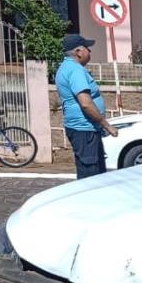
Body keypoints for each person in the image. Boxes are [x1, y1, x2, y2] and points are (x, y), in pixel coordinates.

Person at [56, 33, 116, 178]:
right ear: (78, 52)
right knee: (91, 176)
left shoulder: (66, 67)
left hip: (83, 129)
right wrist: (106, 125)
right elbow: (86, 103)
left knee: (94, 173)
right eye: (87, 48)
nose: (90, 51)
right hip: (84, 130)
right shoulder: (75, 70)